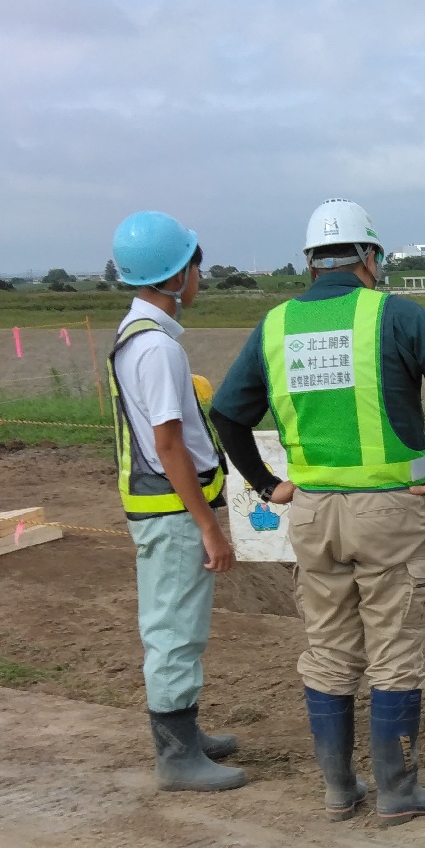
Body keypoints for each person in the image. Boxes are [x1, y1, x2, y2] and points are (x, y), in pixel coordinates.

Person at [208, 198, 425, 824]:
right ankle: (397, 791)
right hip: (389, 514)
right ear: (370, 257)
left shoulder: (274, 325)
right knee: (394, 651)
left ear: (309, 261)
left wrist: (266, 482)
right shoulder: (395, 313)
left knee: (329, 650)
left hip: (310, 513)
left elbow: (226, 412)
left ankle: (339, 790)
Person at [107, 209, 245, 793]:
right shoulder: (157, 350)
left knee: (177, 624)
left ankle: (184, 733)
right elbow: (168, 443)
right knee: (173, 629)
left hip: (161, 507)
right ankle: (177, 755)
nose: (199, 275)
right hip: (171, 511)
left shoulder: (139, 337)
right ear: (173, 276)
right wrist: (208, 524)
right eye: (194, 264)